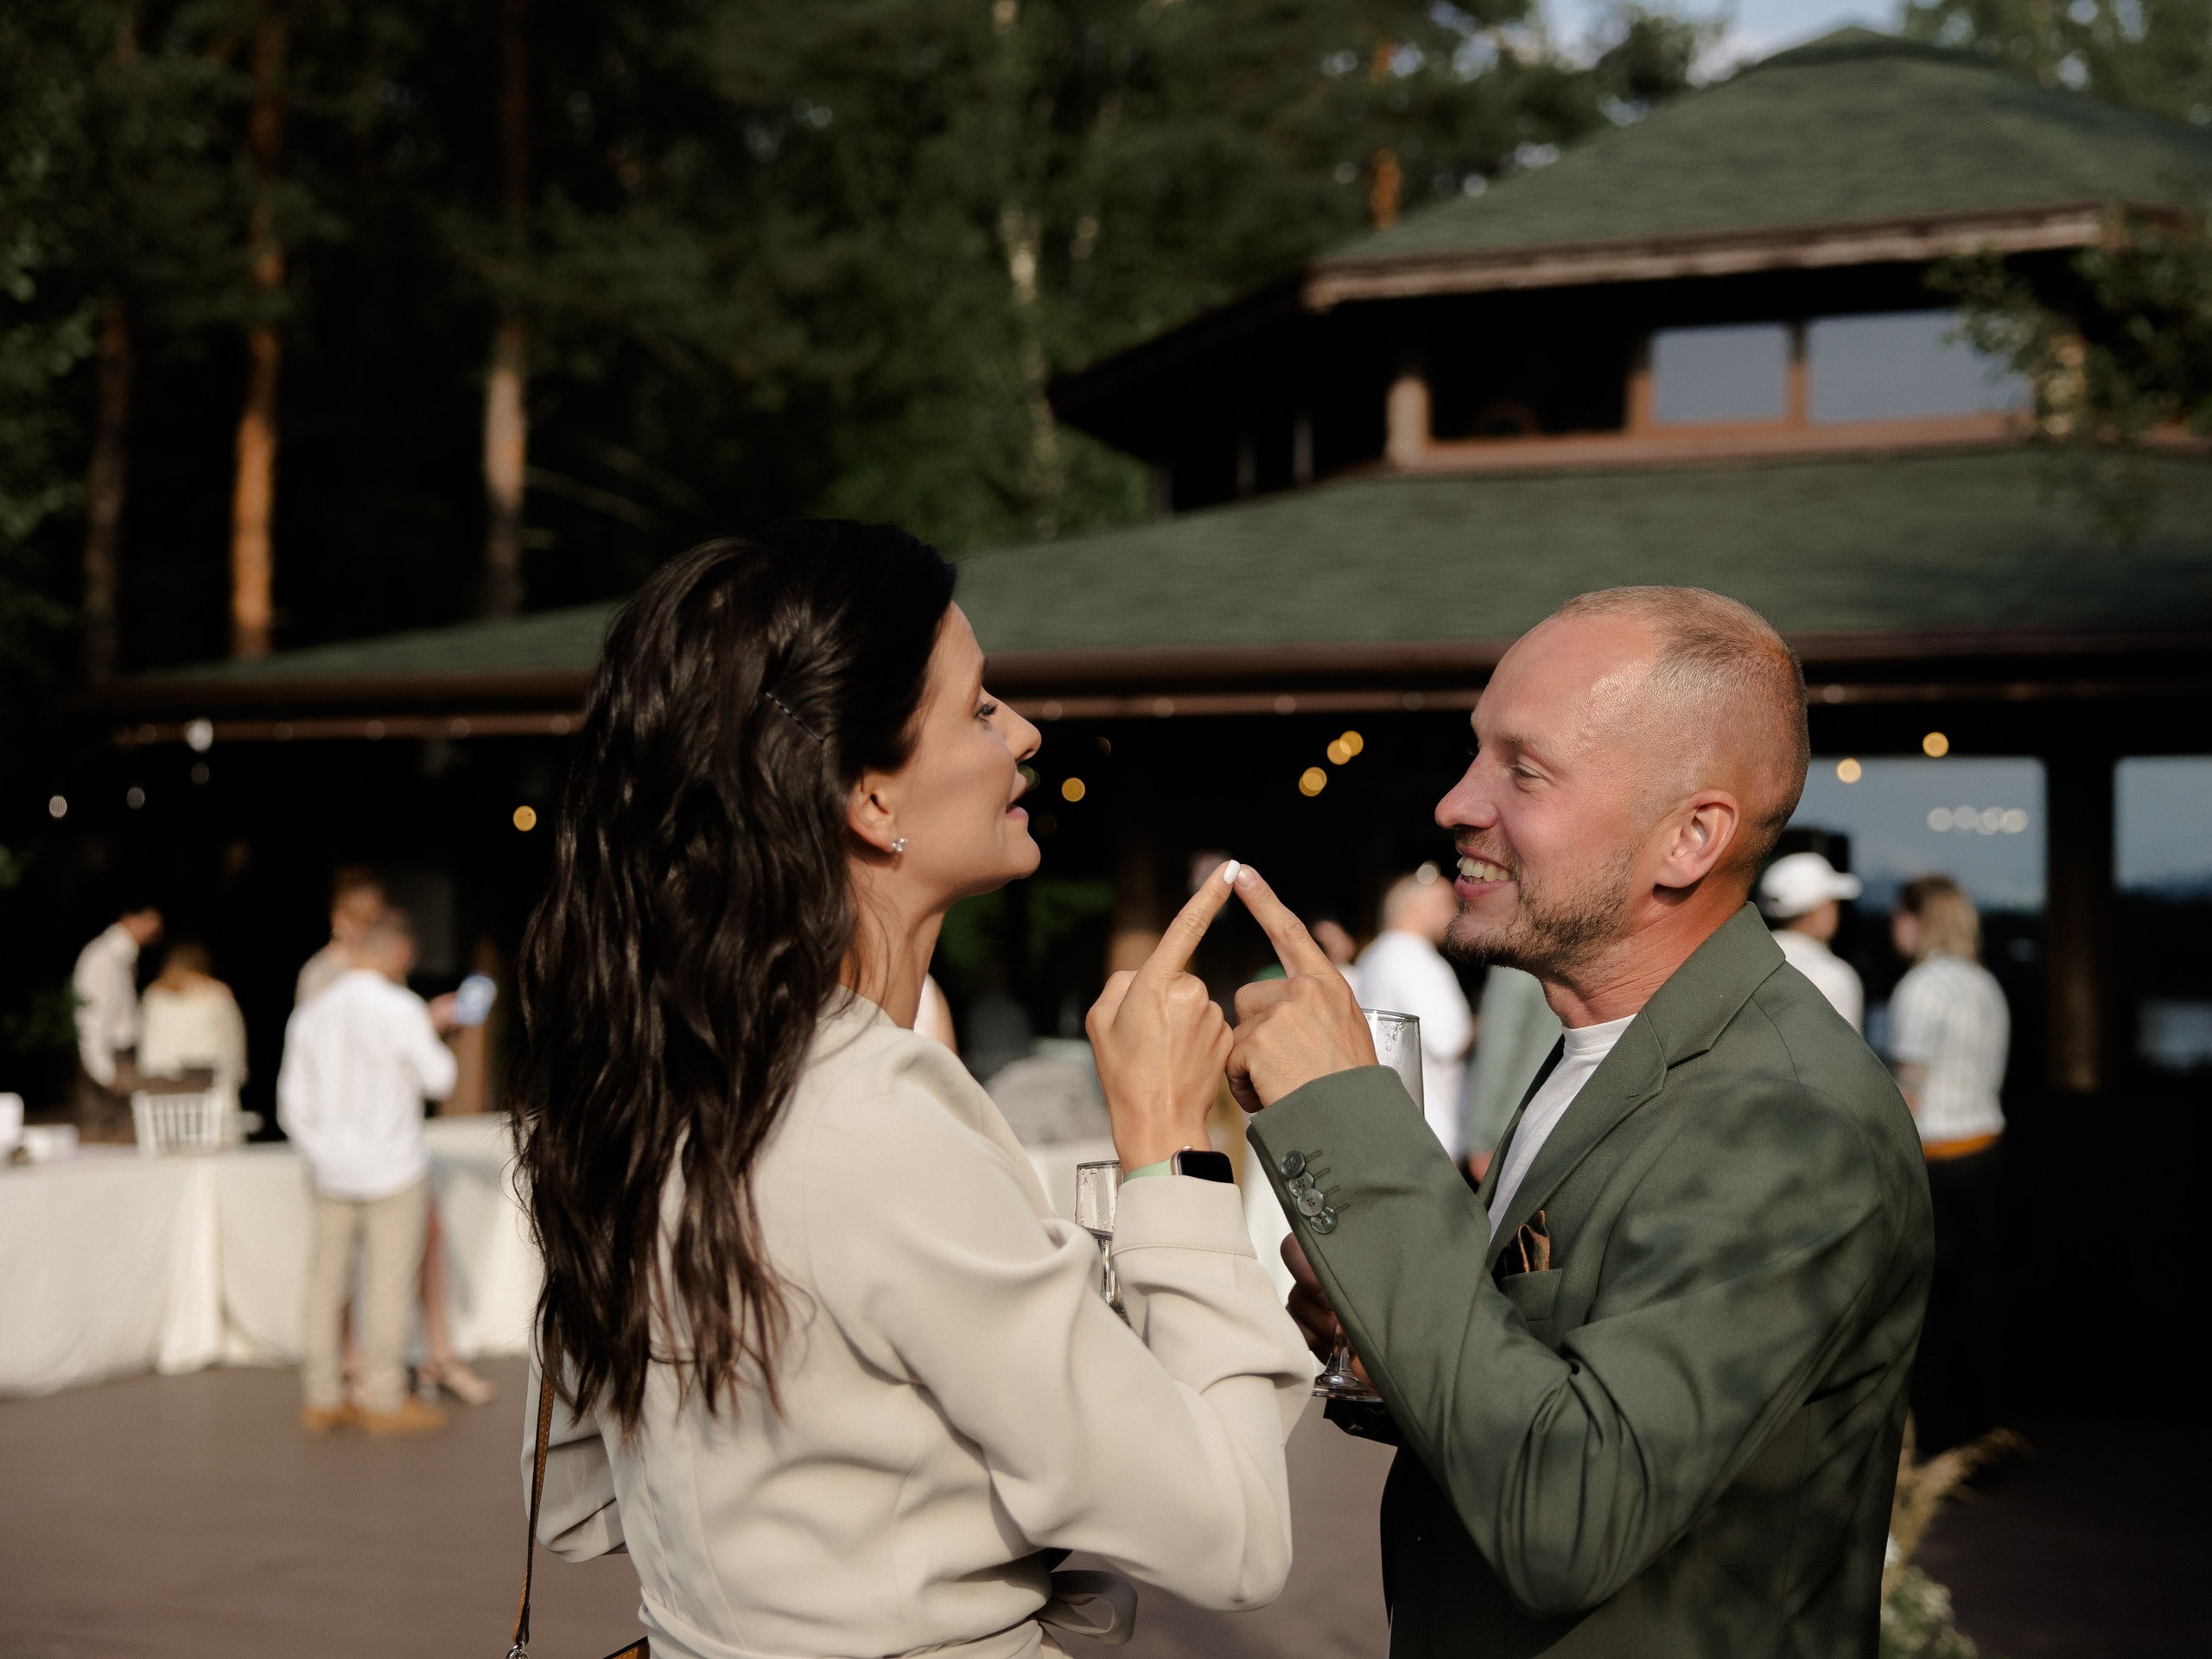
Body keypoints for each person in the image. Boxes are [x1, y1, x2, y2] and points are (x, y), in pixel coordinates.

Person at [515, 527, 1308, 1659]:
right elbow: (1234, 1537)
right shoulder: (869, 1119)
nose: (1023, 733)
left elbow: (578, 1502)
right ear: (870, 797)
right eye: (980, 708)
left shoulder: (661, 1084)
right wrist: (1172, 1147)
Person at [1225, 586, 1933, 1656]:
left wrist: (1340, 1114)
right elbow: (1543, 1384)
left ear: (1688, 838)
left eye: (1524, 769)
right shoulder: (1605, 1048)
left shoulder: (1786, 1121)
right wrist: (1389, 1332)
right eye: (1475, 754)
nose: (1455, 803)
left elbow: (1568, 1513)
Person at [278, 909, 460, 1436]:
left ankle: (322, 1396)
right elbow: (441, 1079)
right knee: (389, 1285)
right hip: (393, 1167)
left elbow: (292, 1102)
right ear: (399, 955)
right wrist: (437, 1028)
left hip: (331, 1170)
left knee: (325, 1284)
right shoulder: (403, 1009)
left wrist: (322, 1150)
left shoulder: (312, 1013)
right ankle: (383, 1397)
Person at [1890, 873, 2009, 1451]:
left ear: (1920, 921)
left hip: (1936, 1162)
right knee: (1979, 1299)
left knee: (1929, 1303)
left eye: (1900, 915)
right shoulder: (1985, 984)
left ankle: (1936, 1437)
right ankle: (1985, 1427)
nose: (1893, 926)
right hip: (1986, 1154)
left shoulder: (1921, 988)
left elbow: (1907, 1091)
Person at [1351, 866, 1474, 1158]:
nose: (1454, 913)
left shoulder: (1373, 955)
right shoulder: (1417, 959)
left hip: (1383, 1121)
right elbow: (1450, 1040)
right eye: (1445, 903)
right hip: (1428, 1131)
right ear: (1416, 908)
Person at [72, 900, 164, 1143]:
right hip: (111, 1063)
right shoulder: (103, 957)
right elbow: (90, 1018)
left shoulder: (123, 958)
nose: (156, 929)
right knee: (110, 1143)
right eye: (150, 920)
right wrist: (104, 1073)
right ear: (129, 918)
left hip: (121, 1061)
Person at [1459, 963, 1560, 1181]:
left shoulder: (1517, 955)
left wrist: (1480, 1140)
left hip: (1511, 1133)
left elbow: (1499, 1046)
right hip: (1559, 1122)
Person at [138, 941, 250, 1129]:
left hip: (168, 1088)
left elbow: (148, 1047)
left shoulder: (154, 996)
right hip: (207, 1085)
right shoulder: (218, 995)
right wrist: (236, 1074)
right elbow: (233, 1042)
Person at [1761, 849, 1866, 1032]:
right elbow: (1844, 1049)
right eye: (1832, 902)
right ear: (1816, 910)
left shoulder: (1745, 962)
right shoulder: (1834, 976)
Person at [296, 868, 384, 1007]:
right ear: (338, 919)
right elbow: (308, 1018)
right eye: (358, 920)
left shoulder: (386, 966)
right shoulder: (318, 972)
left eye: (373, 922)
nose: (365, 930)